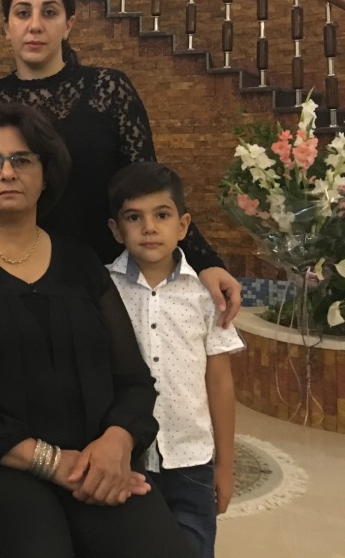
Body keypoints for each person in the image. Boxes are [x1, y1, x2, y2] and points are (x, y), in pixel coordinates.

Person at [0, 102, 193, 558]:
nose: (7, 172)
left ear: (46, 175)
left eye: (23, 160)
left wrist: (116, 442)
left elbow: (134, 379)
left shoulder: (81, 261)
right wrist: (47, 460)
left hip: (94, 464)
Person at [0, 0, 241, 326]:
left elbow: (148, 186)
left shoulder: (108, 90)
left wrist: (205, 261)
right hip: (7, 277)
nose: (35, 25)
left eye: (49, 12)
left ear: (68, 24)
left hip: (99, 277)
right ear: (6, 27)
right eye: (22, 12)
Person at [106, 162, 244, 558]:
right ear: (116, 229)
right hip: (128, 460)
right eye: (134, 217)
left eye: (161, 215)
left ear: (183, 225)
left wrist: (224, 465)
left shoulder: (206, 297)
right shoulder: (104, 290)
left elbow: (219, 382)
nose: (149, 227)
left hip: (192, 460)